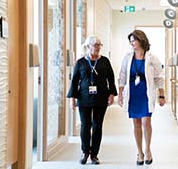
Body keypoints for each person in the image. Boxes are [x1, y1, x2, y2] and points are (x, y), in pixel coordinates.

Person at [67, 35, 117, 165]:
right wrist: (72, 98)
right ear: (88, 46)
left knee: (97, 126)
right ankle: (85, 152)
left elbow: (111, 79)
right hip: (84, 98)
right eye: (95, 45)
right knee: (85, 125)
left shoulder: (105, 61)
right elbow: (74, 81)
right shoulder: (80, 62)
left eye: (99, 45)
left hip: (101, 97)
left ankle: (94, 154)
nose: (98, 48)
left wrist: (111, 94)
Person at [118, 29, 166, 165]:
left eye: (134, 40)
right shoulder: (128, 58)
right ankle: (139, 152)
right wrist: (120, 93)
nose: (132, 43)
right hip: (133, 93)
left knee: (146, 122)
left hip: (146, 93)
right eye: (131, 41)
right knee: (136, 123)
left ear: (141, 40)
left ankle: (148, 149)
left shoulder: (152, 58)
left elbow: (159, 77)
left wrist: (161, 95)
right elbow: (122, 76)